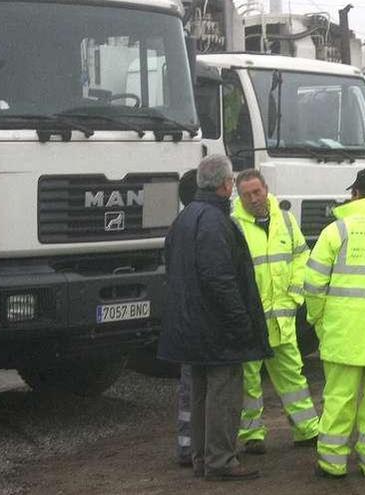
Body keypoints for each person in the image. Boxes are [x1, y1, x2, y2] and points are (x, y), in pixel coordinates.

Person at [158, 155, 272, 481]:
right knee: (223, 395)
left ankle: (201, 458)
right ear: (226, 185)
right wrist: (241, 323)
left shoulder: (185, 219)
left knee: (200, 393)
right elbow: (220, 280)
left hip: (191, 326)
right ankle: (221, 461)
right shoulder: (214, 221)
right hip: (217, 330)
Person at [304, 169, 365, 479]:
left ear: (356, 194)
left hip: (343, 331)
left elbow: (314, 282)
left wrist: (317, 318)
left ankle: (332, 463)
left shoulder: (338, 230)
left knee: (339, 399)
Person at [231, 169, 320, 454]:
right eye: (247, 194)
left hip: (281, 319)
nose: (254, 198)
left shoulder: (286, 220)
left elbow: (301, 256)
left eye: (257, 192)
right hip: (252, 321)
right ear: (239, 195)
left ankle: (307, 431)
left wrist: (294, 295)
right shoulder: (234, 224)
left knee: (293, 376)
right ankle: (252, 435)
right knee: (249, 381)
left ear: (266, 189)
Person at [175, 168, 198, 467]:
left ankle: (186, 446)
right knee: (200, 389)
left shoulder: (181, 225)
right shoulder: (204, 226)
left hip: (186, 321)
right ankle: (192, 448)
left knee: (189, 390)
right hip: (200, 324)